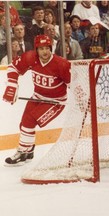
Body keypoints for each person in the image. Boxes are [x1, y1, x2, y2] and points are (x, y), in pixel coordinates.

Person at [2, 35, 71, 166]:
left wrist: (83, 98)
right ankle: (29, 151)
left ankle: (22, 152)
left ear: (51, 48)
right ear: (36, 49)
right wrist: (12, 84)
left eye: (47, 48)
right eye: (41, 49)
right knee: (23, 124)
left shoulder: (61, 64)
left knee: (29, 121)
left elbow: (74, 83)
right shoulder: (31, 57)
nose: (44, 52)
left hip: (56, 101)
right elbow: (13, 67)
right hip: (37, 96)